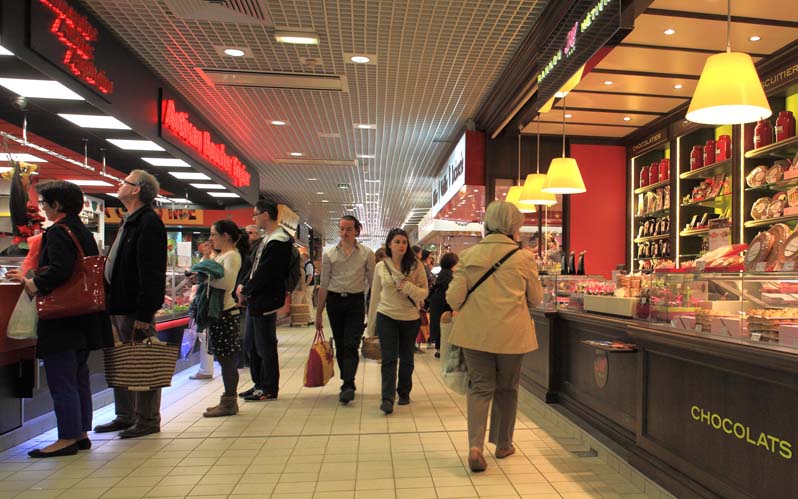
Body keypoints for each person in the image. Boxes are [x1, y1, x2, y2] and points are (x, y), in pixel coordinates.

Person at [8, 181, 112, 457]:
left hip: (63, 318)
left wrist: (29, 281)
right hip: (84, 316)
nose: (43, 208)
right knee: (78, 376)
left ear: (57, 205)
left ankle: (66, 437)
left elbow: (59, 270)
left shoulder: (57, 232)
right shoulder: (82, 232)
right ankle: (79, 433)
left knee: (61, 377)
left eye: (44, 203)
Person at [446, 201, 543, 472]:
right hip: (512, 335)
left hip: (476, 334)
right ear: (514, 226)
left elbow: (454, 299)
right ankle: (503, 444)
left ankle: (475, 446)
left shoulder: (468, 255)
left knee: (480, 387)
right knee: (507, 388)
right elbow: (536, 298)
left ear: (487, 222)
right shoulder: (524, 257)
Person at [94, 170, 167, 439]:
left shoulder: (148, 223)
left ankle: (147, 418)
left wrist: (145, 312)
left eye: (124, 181)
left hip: (133, 308)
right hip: (117, 305)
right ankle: (125, 415)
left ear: (136, 190)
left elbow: (152, 272)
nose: (119, 185)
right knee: (121, 362)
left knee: (143, 361)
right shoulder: (130, 221)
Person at [237, 199, 294, 401]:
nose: (254, 218)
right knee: (252, 345)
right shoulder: (267, 239)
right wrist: (244, 286)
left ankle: (269, 387)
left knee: (264, 345)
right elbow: (254, 269)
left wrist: (247, 289)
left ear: (265, 215)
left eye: (255, 214)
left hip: (266, 300)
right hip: (256, 298)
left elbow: (267, 272)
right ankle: (259, 383)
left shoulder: (279, 241)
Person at [316, 215, 375, 405]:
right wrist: (318, 313)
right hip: (334, 302)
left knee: (351, 344)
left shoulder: (367, 254)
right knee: (341, 345)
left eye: (349, 229)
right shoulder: (330, 254)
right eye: (341, 229)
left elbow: (374, 283)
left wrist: (375, 309)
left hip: (356, 302)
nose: (344, 233)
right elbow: (324, 285)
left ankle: (348, 384)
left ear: (357, 230)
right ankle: (346, 380)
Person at [367, 228, 428, 415]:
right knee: (389, 358)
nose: (401, 245)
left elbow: (424, 292)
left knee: (407, 357)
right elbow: (375, 296)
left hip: (410, 317)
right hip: (387, 315)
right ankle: (387, 398)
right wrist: (371, 326)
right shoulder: (380, 267)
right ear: (389, 244)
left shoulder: (416, 265)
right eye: (397, 242)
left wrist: (409, 288)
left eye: (404, 242)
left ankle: (404, 392)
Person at [203, 220, 246, 416]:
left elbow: (226, 284)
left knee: (227, 359)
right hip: (221, 313)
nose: (211, 239)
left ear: (225, 236)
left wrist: (203, 277)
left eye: (213, 234)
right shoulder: (223, 255)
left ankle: (229, 401)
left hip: (226, 313)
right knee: (223, 357)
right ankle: (227, 399)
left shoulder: (232, 256)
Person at [190, 241, 217, 380]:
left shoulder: (216, 258)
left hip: (206, 300)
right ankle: (205, 368)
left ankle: (206, 369)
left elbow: (206, 276)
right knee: (203, 336)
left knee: (205, 336)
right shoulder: (206, 258)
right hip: (202, 299)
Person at [428, 252, 459, 358]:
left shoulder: (443, 273)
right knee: (443, 327)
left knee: (438, 326)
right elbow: (451, 292)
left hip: (437, 303)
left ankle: (439, 349)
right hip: (443, 304)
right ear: (453, 263)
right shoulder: (449, 275)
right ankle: (442, 350)